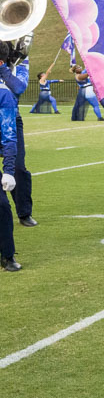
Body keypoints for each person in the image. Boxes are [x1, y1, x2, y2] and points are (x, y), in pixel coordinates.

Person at [0, 44, 35, 228]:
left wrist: (3, 68)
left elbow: (19, 87)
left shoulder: (21, 61)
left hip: (12, 119)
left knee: (18, 168)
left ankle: (24, 212)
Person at [0, 72, 21, 271]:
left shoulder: (3, 93)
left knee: (2, 206)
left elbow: (8, 134)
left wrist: (8, 170)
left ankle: (7, 255)